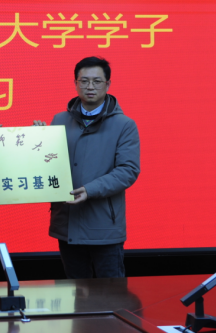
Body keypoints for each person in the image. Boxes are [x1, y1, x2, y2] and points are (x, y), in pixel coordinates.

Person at [34, 56, 140, 278]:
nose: (90, 86)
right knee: (75, 293)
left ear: (107, 84)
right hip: (67, 224)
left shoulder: (124, 125)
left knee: (111, 293)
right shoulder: (59, 120)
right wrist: (37, 141)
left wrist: (90, 190)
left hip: (104, 227)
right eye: (84, 81)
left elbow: (127, 171)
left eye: (97, 81)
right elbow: (49, 165)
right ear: (75, 83)